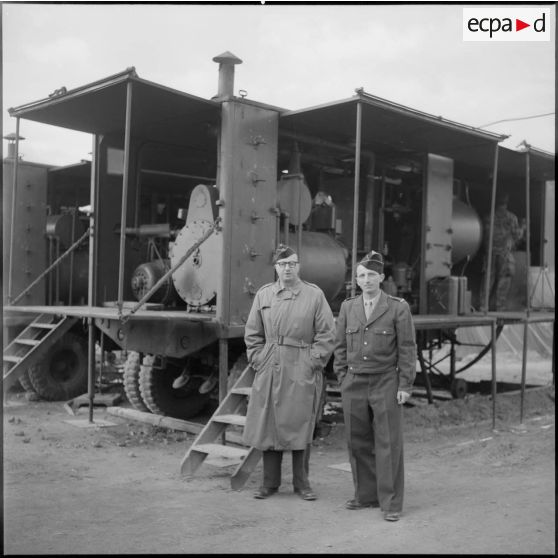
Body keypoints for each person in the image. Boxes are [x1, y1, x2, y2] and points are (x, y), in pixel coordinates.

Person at [243, 244, 336, 501]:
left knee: (301, 424)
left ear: (299, 266)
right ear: (275, 267)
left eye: (292, 264)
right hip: (270, 364)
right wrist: (258, 358)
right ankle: (269, 483)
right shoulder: (264, 295)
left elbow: (327, 333)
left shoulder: (314, 295)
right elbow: (253, 333)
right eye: (283, 264)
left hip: (301, 364)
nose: (287, 268)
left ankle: (302, 484)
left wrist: (313, 360)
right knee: (269, 424)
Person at [333, 250, 416, 522]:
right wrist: (343, 378)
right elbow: (340, 348)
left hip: (385, 382)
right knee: (357, 442)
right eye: (360, 275)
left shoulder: (397, 307)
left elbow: (406, 348)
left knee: (388, 442)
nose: (366, 280)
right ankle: (365, 495)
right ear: (355, 279)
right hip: (354, 382)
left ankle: (391, 504)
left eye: (371, 275)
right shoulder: (348, 307)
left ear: (381, 277)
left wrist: (405, 384)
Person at [480, 193, 526, 311]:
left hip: (490, 253)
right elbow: (517, 236)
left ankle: (483, 306)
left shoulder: (488, 216)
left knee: (487, 280)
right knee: (504, 279)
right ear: (507, 202)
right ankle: (499, 307)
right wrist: (523, 226)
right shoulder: (511, 217)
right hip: (504, 253)